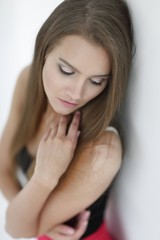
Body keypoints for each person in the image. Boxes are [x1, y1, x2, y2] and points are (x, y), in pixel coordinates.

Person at [0, 0, 134, 239]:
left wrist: (43, 180)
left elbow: (16, 228)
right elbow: (2, 168)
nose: (76, 94)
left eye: (96, 81)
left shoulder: (102, 151)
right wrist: (36, 220)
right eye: (66, 71)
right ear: (44, 50)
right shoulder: (27, 81)